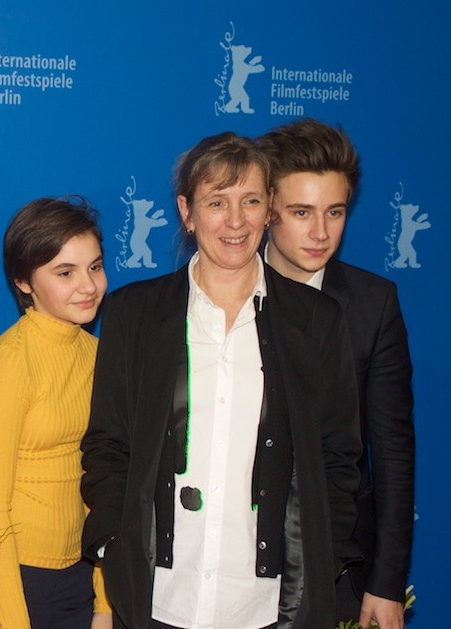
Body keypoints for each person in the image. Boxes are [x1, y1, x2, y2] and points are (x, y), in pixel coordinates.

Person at [81, 132, 362, 628]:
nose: (235, 221)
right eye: (217, 202)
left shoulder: (317, 321)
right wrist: (114, 544)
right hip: (159, 598)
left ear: (270, 208)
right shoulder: (135, 313)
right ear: (187, 212)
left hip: (268, 606)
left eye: (250, 200)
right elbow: (109, 445)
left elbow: (339, 457)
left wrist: (325, 557)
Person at [259, 118, 415, 629]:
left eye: (335, 212)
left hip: (336, 565)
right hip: (227, 564)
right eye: (301, 212)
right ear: (264, 209)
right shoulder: (215, 293)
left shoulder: (372, 305)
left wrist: (386, 583)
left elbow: (391, 451)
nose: (321, 232)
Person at [0, 197, 112, 628]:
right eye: (65, 272)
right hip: (7, 585)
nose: (88, 285)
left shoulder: (100, 355)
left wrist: (104, 604)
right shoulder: (11, 360)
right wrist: (15, 623)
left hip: (78, 578)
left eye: (95, 266)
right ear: (24, 281)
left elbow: (104, 489)